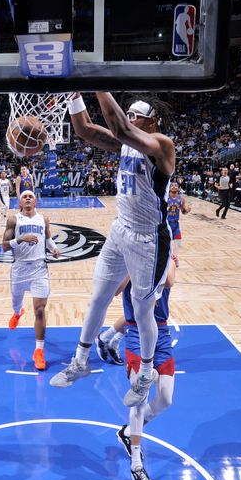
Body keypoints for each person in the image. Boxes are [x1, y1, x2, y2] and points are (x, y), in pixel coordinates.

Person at [50, 92, 175, 410]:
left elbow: (121, 129)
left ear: (152, 121)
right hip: (120, 229)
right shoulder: (127, 144)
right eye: (128, 113)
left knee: (142, 308)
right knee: (98, 297)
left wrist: (98, 85)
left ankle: (146, 372)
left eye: (136, 115)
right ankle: (80, 360)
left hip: (149, 239)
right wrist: (75, 97)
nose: (130, 118)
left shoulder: (162, 144)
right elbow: (86, 131)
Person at [116, 254, 177, 480]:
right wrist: (133, 265)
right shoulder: (126, 259)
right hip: (135, 333)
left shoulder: (166, 253)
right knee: (140, 396)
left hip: (161, 334)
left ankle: (129, 432)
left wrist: (160, 256)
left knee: (166, 399)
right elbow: (116, 289)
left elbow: (170, 280)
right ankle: (136, 465)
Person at [2, 190, 60, 370]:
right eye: (24, 197)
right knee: (15, 301)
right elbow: (4, 247)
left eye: (31, 196)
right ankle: (17, 313)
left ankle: (39, 351)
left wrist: (54, 249)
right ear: (20, 203)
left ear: (35, 202)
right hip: (19, 268)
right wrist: (20, 239)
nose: (27, 198)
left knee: (40, 309)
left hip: (39, 268)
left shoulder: (43, 219)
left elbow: (48, 241)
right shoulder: (13, 220)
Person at [166, 182, 190, 262]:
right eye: (172, 185)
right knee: (167, 242)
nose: (173, 186)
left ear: (178, 188)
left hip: (175, 223)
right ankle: (167, 259)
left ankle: (175, 258)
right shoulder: (165, 197)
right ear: (169, 188)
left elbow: (183, 211)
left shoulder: (182, 199)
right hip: (166, 223)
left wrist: (187, 211)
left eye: (175, 185)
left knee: (178, 242)